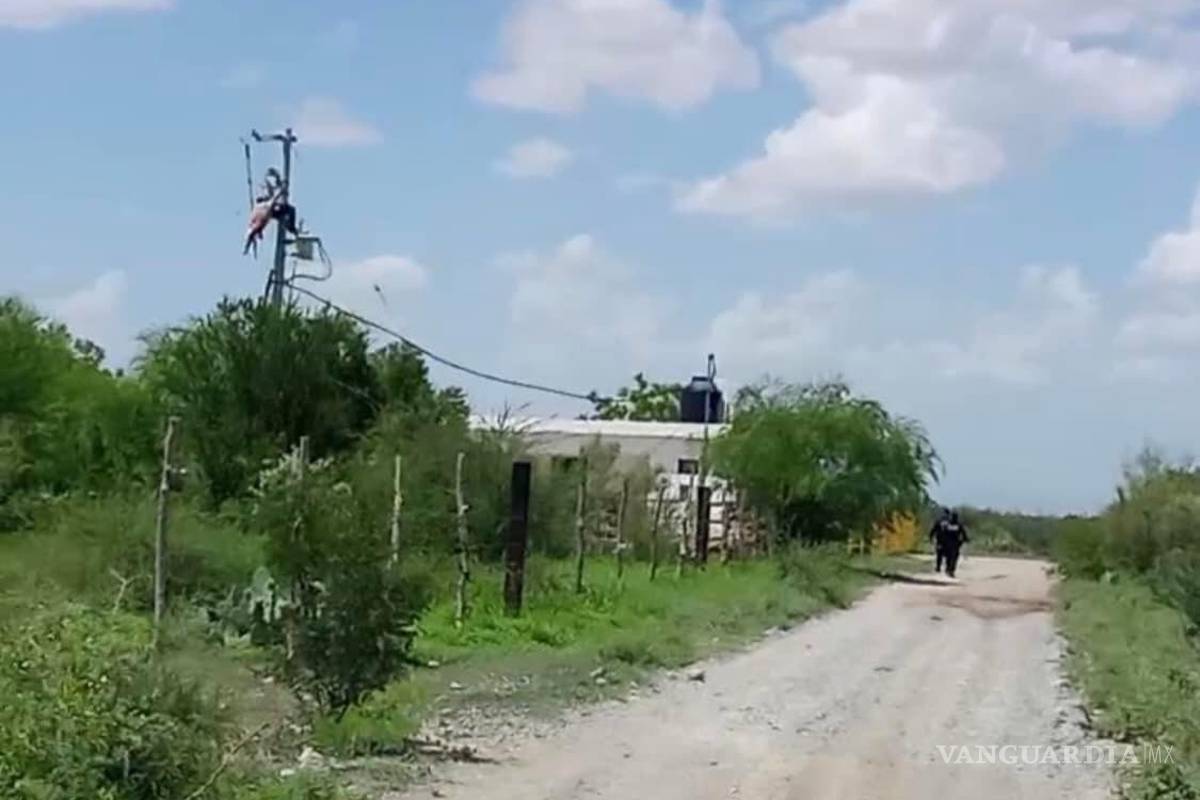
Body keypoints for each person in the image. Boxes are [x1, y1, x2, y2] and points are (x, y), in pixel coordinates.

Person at [939, 511, 969, 579]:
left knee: (953, 557)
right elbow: (943, 533)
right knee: (950, 557)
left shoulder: (958, 525)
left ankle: (951, 570)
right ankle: (949, 569)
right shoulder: (949, 525)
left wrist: (964, 540)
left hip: (955, 544)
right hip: (949, 544)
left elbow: (963, 533)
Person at [929, 508, 951, 573]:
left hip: (944, 541)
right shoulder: (947, 522)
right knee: (941, 554)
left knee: (943, 554)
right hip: (943, 541)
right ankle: (940, 567)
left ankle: (943, 567)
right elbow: (933, 530)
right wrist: (931, 537)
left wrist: (931, 536)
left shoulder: (940, 521)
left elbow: (933, 530)